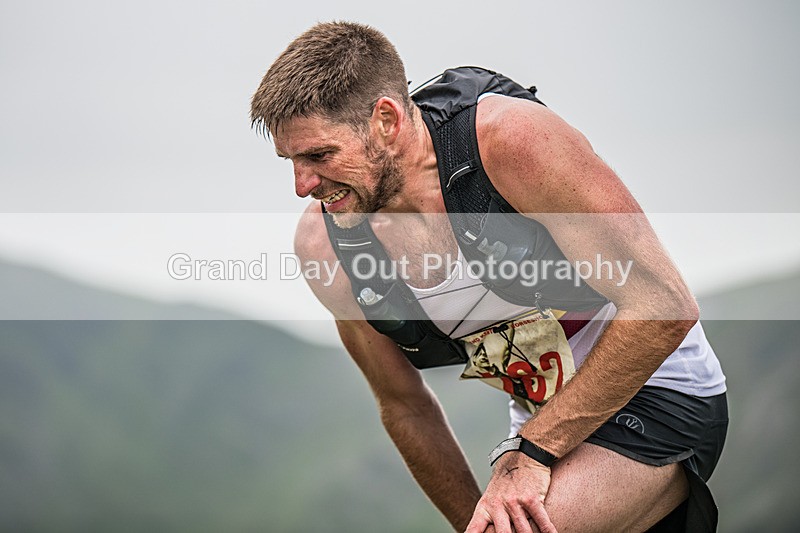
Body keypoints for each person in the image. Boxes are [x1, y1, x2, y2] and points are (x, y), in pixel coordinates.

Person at [250, 21, 728, 532]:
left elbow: (664, 305)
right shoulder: (327, 247)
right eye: (290, 161)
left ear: (385, 120)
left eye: (319, 155)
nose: (302, 185)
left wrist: (530, 455)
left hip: (655, 391)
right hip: (542, 430)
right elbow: (404, 404)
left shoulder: (511, 143)